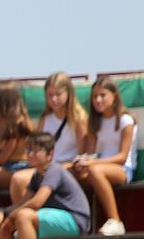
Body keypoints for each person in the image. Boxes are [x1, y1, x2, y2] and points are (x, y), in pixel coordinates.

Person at [0, 132, 91, 239]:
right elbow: (24, 202)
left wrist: (13, 215)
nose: (30, 154)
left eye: (35, 150)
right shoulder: (37, 175)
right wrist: (3, 212)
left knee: (23, 216)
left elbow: (37, 202)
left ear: (50, 154)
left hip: (76, 220)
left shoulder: (54, 170)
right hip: (58, 218)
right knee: (5, 227)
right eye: (28, 150)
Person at [75, 77, 136, 238]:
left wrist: (92, 162)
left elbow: (122, 157)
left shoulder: (125, 120)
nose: (98, 100)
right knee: (66, 172)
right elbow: (89, 153)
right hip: (99, 166)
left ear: (114, 96)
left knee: (95, 171)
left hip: (123, 170)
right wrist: (82, 162)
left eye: (103, 95)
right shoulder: (96, 123)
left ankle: (115, 221)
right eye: (95, 96)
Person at [11, 72, 87, 203]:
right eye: (50, 95)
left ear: (69, 94)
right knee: (17, 179)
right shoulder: (44, 118)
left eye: (58, 94)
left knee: (20, 179)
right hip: (44, 167)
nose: (54, 99)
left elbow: (83, 154)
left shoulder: (79, 119)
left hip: (67, 169)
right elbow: (36, 145)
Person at [0, 80, 33, 192]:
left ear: (2, 100)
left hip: (19, 168)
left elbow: (2, 158)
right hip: (4, 168)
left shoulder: (17, 123)